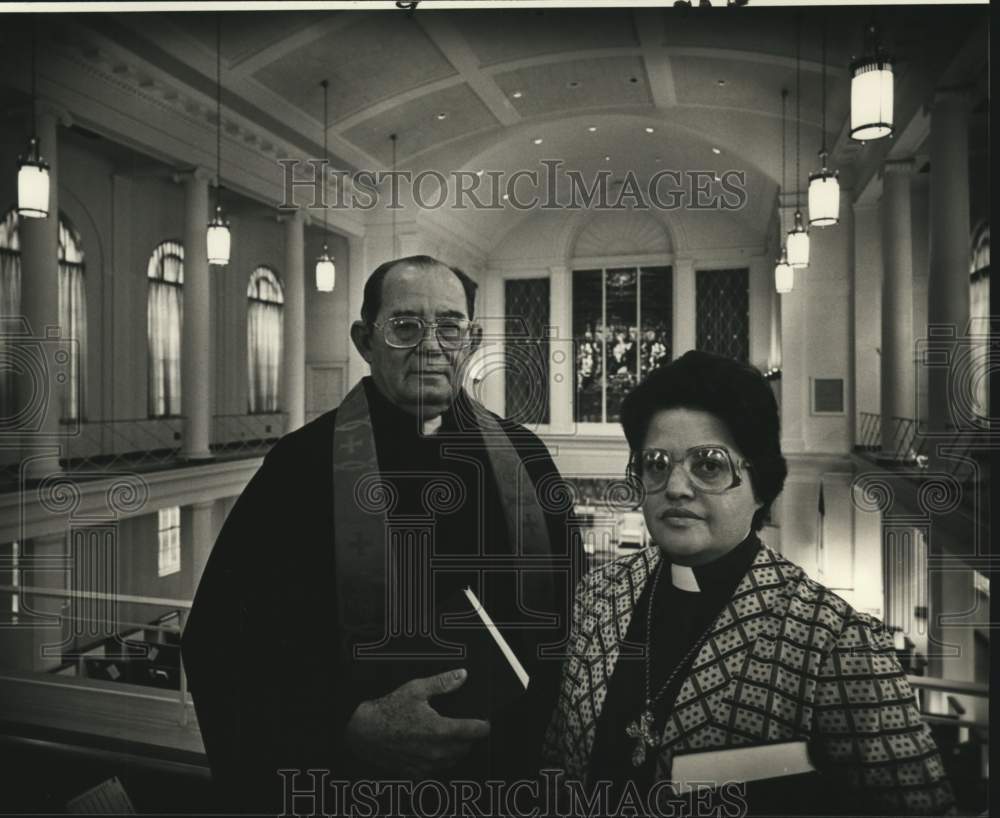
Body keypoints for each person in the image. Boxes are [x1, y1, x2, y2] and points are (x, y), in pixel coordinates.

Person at [183, 255, 577, 813]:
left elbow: (570, 620)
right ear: (364, 340)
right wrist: (345, 726)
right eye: (405, 326)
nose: (432, 345)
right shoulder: (300, 469)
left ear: (473, 340)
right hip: (355, 788)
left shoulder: (527, 462)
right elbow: (223, 642)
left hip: (504, 782)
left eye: (450, 326)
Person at [544, 350, 955, 816]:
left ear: (760, 483)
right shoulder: (600, 594)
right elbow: (559, 758)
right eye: (656, 463)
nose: (676, 486)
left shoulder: (835, 642)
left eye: (709, 464)